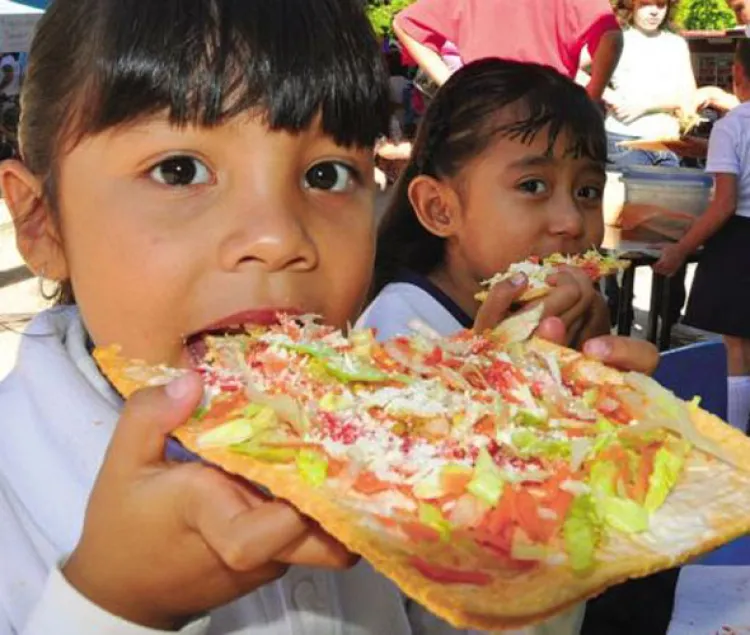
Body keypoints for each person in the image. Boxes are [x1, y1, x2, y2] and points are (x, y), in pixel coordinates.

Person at [0, 2, 658, 634]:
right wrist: (119, 606)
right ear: (40, 221)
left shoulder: (377, 437)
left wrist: (531, 480)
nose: (280, 234)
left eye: (326, 175)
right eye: (180, 169)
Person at [654, 40, 750, 434]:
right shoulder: (729, 131)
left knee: (738, 349)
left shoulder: (733, 125)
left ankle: (738, 434)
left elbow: (724, 202)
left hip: (740, 241)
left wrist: (679, 250)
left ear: (737, 75)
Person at [392, 0, 623, 102]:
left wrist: (453, 83)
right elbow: (611, 39)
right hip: (552, 108)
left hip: (486, 108)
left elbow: (405, 25)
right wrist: (592, 95)